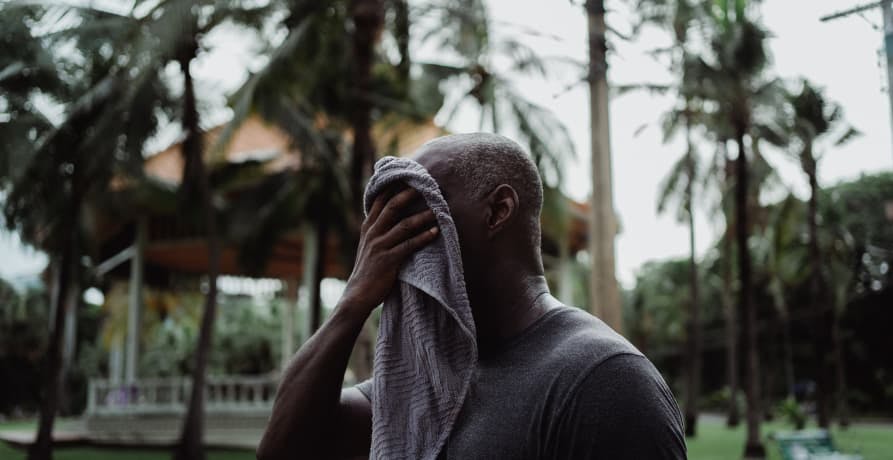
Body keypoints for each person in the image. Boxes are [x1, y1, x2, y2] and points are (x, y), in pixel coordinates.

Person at [257, 133, 687, 460]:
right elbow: (284, 451)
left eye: (420, 203)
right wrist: (353, 299)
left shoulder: (602, 381)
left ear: (498, 211)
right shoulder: (427, 381)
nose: (392, 233)